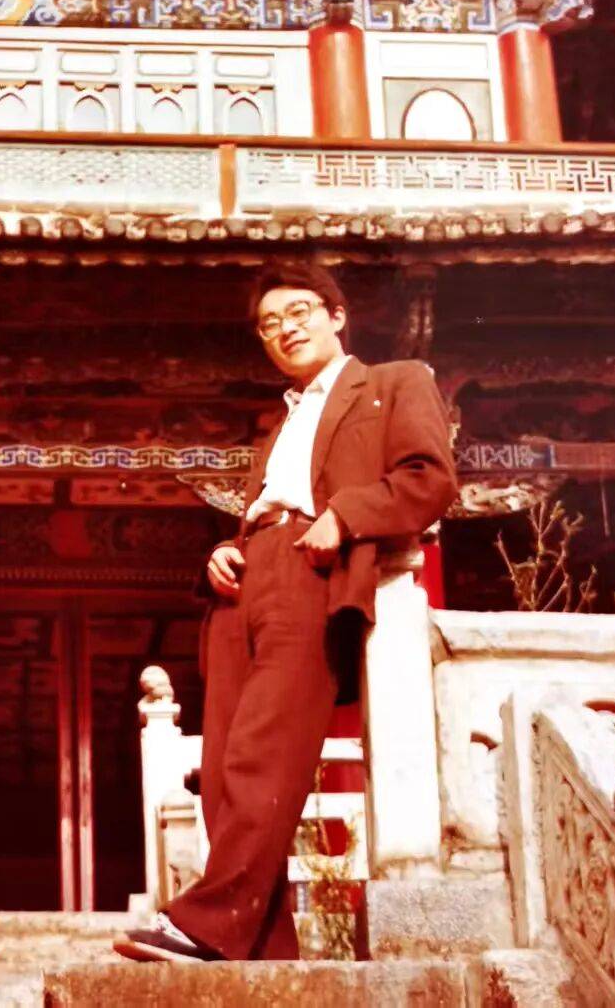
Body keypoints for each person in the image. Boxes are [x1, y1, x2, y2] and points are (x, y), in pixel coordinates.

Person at [114, 261, 458, 963]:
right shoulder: (279, 428)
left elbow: (429, 478)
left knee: (262, 753)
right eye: (269, 324)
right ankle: (262, 950)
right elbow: (267, 509)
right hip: (246, 582)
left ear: (336, 316)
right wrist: (228, 549)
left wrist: (348, 515)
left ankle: (206, 923)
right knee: (222, 769)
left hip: (313, 569)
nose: (285, 329)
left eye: (299, 312)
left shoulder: (394, 382)